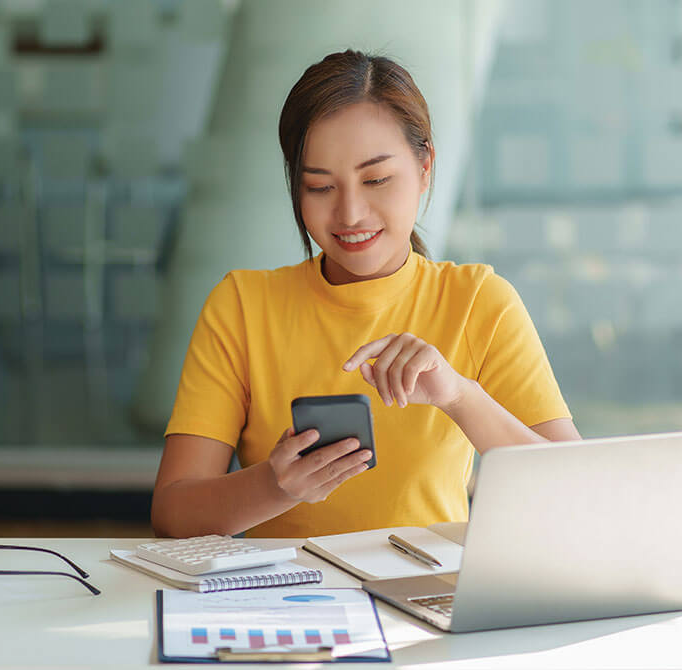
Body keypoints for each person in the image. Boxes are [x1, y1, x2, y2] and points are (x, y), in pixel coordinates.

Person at [150, 49, 579, 539]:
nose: (350, 214)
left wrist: (459, 395)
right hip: (282, 603)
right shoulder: (242, 306)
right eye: (319, 187)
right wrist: (275, 485)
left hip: (424, 603)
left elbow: (571, 493)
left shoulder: (479, 302)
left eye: (376, 179)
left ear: (424, 168)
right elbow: (172, 512)